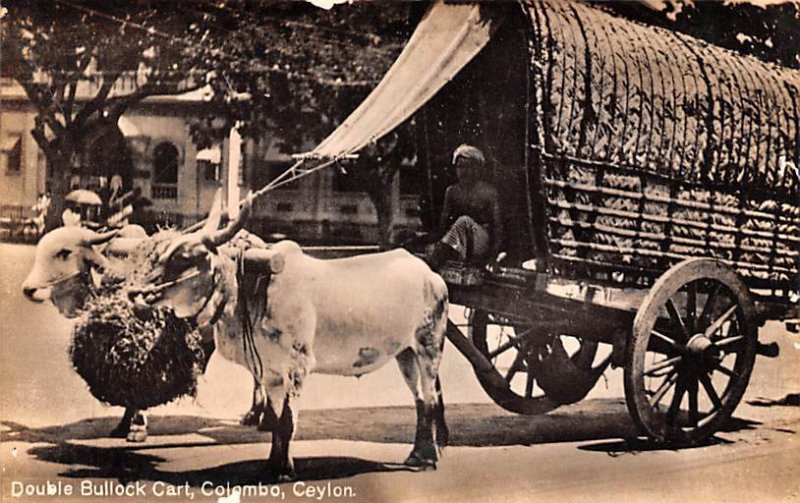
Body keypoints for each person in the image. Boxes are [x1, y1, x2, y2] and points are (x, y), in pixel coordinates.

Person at [427, 144, 503, 269]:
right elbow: (443, 224)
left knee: (464, 221)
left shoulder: (488, 192)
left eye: (470, 167)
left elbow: (497, 226)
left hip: (481, 241)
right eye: (460, 167)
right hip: (460, 241)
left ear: (478, 169)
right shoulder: (452, 191)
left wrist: (492, 256)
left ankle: (438, 255)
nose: (465, 172)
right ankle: (441, 254)